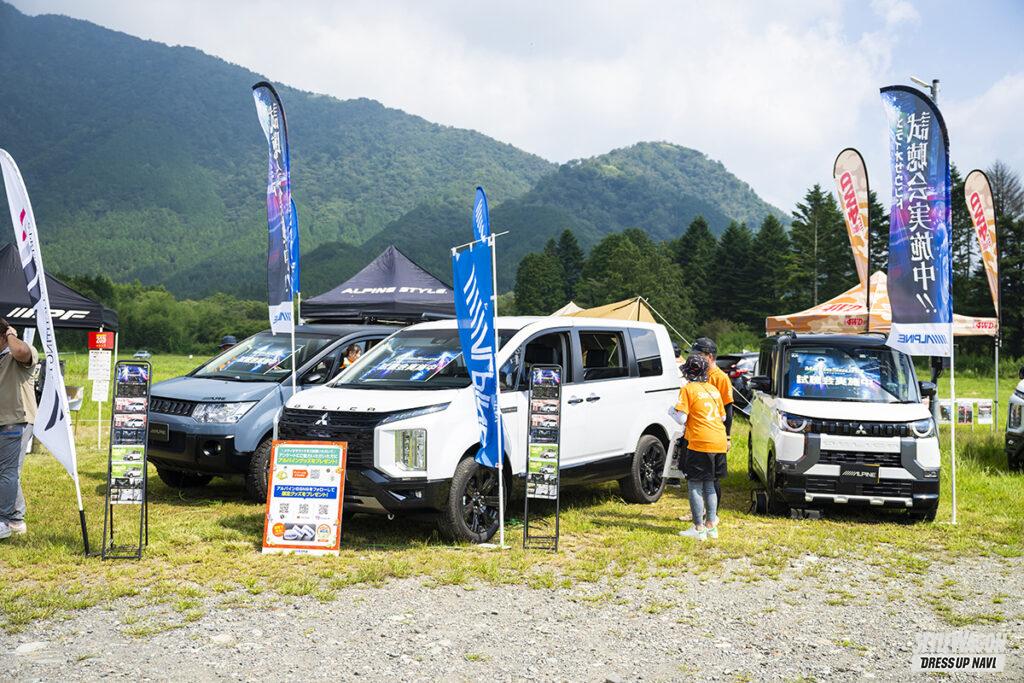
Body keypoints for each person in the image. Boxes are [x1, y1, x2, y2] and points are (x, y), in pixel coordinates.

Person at [672, 353, 727, 541]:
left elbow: (682, 418)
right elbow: (723, 417)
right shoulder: (713, 389)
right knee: (710, 484)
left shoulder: (688, 389)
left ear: (688, 372)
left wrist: (671, 411)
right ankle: (712, 526)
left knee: (695, 484)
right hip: (719, 441)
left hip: (700, 441)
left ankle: (698, 528)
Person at [0, 318, 39, 540]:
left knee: (7, 472)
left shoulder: (21, 353)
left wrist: (10, 334)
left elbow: (21, 351)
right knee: (8, 471)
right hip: (3, 420)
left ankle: (4, 521)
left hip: (16, 420)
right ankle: (15, 519)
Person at [691, 337, 732, 500]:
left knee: (712, 478)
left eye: (698, 355)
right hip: (697, 434)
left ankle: (712, 512)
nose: (694, 358)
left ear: (709, 356)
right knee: (697, 476)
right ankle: (700, 509)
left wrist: (727, 437)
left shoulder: (720, 378)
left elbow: (728, 409)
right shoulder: (698, 375)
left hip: (714, 434)